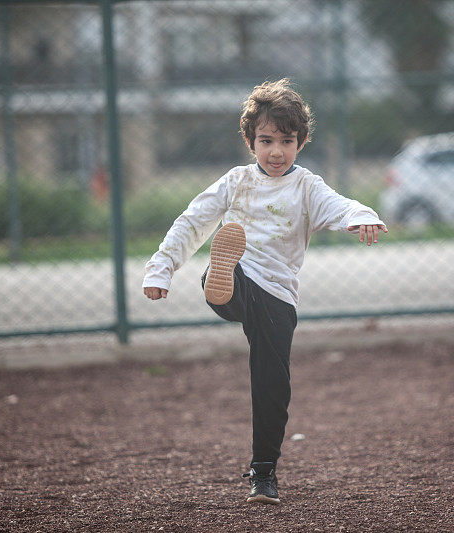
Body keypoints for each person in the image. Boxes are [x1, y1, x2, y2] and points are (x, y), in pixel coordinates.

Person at [142, 79, 387, 505]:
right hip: (237, 276)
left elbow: (339, 205)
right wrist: (160, 269)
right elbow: (193, 220)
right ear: (250, 141)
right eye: (266, 140)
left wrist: (362, 216)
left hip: (278, 298)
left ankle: (263, 473)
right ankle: (220, 283)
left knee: (272, 383)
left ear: (302, 142)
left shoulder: (306, 186)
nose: (276, 151)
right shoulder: (237, 182)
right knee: (227, 279)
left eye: (287, 141)